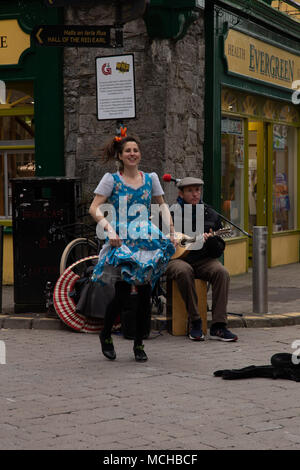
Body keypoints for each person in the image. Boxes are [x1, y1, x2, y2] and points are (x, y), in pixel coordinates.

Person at [89, 132, 175, 362]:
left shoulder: (151, 178)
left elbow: (162, 205)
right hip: (122, 239)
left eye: (135, 150)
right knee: (122, 294)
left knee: (146, 292)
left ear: (140, 154)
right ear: (120, 155)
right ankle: (105, 334)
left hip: (146, 237)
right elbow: (94, 208)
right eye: (128, 150)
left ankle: (139, 344)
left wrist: (172, 230)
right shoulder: (111, 179)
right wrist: (109, 229)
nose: (132, 154)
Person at [166, 177, 238, 342]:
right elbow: (159, 239)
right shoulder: (171, 213)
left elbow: (218, 250)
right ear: (181, 193)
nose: (195, 194)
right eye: (190, 191)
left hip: (203, 260)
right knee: (184, 271)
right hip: (176, 260)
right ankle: (196, 321)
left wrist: (212, 241)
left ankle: (219, 325)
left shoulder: (210, 213)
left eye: (197, 190)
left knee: (222, 272)